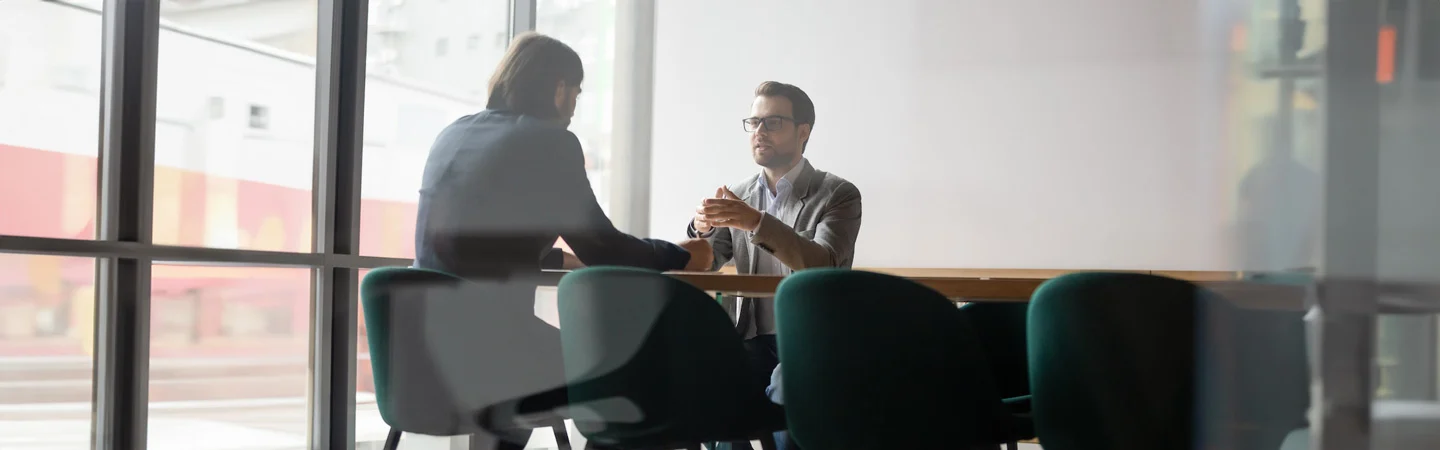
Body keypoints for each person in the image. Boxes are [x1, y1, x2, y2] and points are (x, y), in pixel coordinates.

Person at [409, 32, 712, 446]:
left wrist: (555, 258)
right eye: (577, 93)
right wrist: (680, 255)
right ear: (559, 88)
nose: (573, 107)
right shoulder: (549, 142)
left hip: (415, 345)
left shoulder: (453, 134)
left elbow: (469, 239)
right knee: (632, 369)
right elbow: (602, 246)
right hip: (490, 347)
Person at [688, 81, 862, 449]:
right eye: (754, 122)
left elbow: (823, 263)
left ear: (804, 132)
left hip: (814, 341)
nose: (760, 132)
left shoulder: (838, 194)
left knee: (790, 385)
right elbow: (707, 261)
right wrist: (699, 227)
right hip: (753, 341)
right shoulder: (742, 195)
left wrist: (755, 222)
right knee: (703, 382)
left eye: (773, 122)